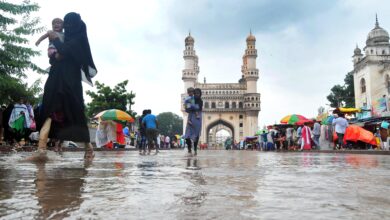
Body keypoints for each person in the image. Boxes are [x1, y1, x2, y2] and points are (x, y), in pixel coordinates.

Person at [32, 12, 97, 161]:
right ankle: (41, 149)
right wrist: (57, 51)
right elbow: (55, 58)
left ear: (75, 24)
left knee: (75, 112)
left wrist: (58, 44)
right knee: (49, 109)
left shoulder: (79, 39)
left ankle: (89, 148)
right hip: (55, 79)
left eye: (68, 24)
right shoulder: (65, 38)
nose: (66, 27)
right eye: (64, 23)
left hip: (71, 83)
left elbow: (66, 52)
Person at [184, 88, 203, 156]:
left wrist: (191, 107)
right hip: (191, 117)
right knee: (187, 136)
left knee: (196, 135)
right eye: (195, 93)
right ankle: (189, 148)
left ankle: (195, 149)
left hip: (197, 119)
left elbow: (198, 107)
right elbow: (187, 108)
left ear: (200, 94)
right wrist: (191, 107)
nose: (196, 95)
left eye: (198, 93)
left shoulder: (200, 100)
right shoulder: (190, 99)